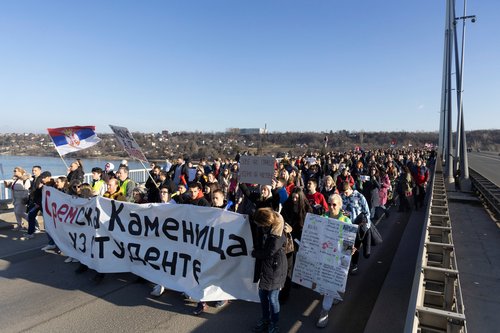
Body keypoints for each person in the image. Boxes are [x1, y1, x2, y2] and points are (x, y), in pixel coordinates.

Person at [316, 194, 352, 328]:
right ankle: (333, 296)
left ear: (340, 205)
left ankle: (325, 310)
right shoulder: (323, 218)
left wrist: (348, 253)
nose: (331, 207)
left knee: (330, 281)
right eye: (330, 204)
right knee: (326, 281)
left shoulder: (345, 220)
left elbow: (349, 241)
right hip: (324, 256)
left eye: (334, 205)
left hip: (338, 258)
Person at [251, 207, 287, 333]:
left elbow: (269, 252)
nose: (258, 226)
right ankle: (265, 319)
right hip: (266, 267)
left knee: (272, 298)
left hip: (276, 269)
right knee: (262, 295)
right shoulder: (267, 226)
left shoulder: (277, 233)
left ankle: (274, 322)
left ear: (265, 222)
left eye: (259, 224)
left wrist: (254, 253)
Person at [341, 183, 371, 274]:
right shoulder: (342, 197)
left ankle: (354, 264)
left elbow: (367, 212)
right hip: (347, 226)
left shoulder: (359, 196)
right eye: (344, 193)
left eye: (346, 192)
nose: (345, 195)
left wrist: (367, 226)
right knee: (347, 246)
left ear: (350, 188)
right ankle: (346, 265)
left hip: (358, 226)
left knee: (356, 246)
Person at [22, 171, 54, 240]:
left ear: (49, 178)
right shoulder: (40, 182)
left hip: (45, 205)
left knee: (48, 220)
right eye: (42, 177)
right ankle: (30, 233)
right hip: (37, 204)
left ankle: (52, 238)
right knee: (31, 215)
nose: (42, 179)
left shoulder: (52, 184)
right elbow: (36, 193)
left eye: (44, 178)